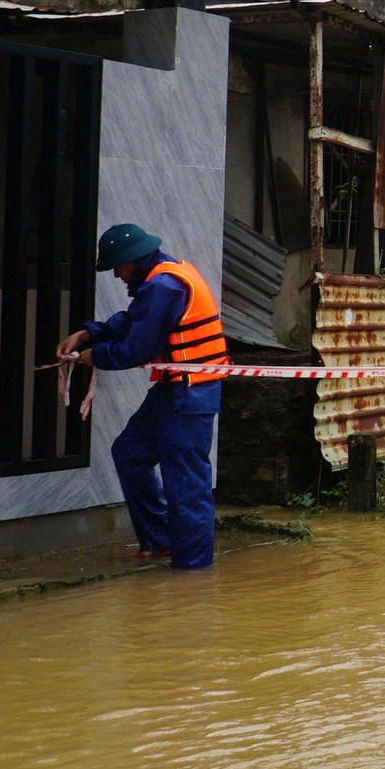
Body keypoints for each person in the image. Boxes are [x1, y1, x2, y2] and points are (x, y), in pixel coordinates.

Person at [57, 223, 231, 569]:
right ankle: (160, 540)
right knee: (129, 454)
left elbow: (139, 346)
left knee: (186, 486)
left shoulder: (164, 286)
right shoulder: (162, 278)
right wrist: (87, 334)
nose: (117, 276)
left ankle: (193, 574)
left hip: (188, 395)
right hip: (175, 391)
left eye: (117, 268)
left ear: (131, 261)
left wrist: (97, 355)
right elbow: (132, 321)